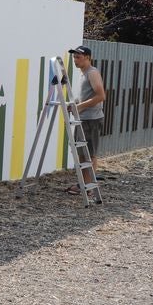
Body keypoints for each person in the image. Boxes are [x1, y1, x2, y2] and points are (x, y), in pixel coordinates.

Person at [68, 45, 106, 194]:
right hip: (83, 118)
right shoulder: (83, 74)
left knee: (90, 153)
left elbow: (101, 96)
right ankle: (83, 184)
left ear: (88, 58)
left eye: (78, 57)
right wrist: (74, 104)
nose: (75, 60)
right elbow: (85, 95)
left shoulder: (92, 72)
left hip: (92, 119)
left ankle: (88, 187)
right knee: (83, 153)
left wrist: (80, 107)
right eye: (74, 57)